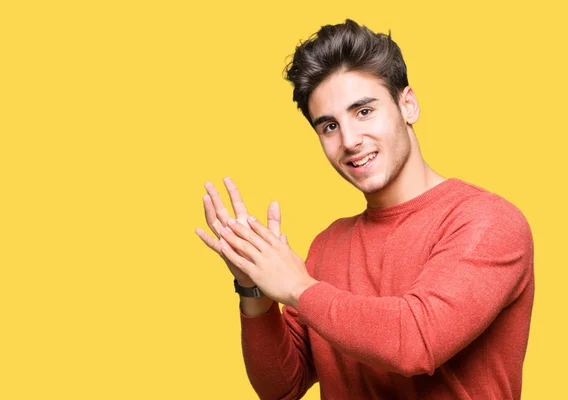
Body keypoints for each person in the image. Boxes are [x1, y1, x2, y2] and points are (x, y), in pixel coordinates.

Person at [195, 19, 534, 400]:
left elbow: (415, 343)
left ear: (408, 105)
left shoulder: (488, 222)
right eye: (329, 126)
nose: (350, 140)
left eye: (363, 111)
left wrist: (296, 287)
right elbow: (282, 388)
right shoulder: (328, 245)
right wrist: (253, 285)